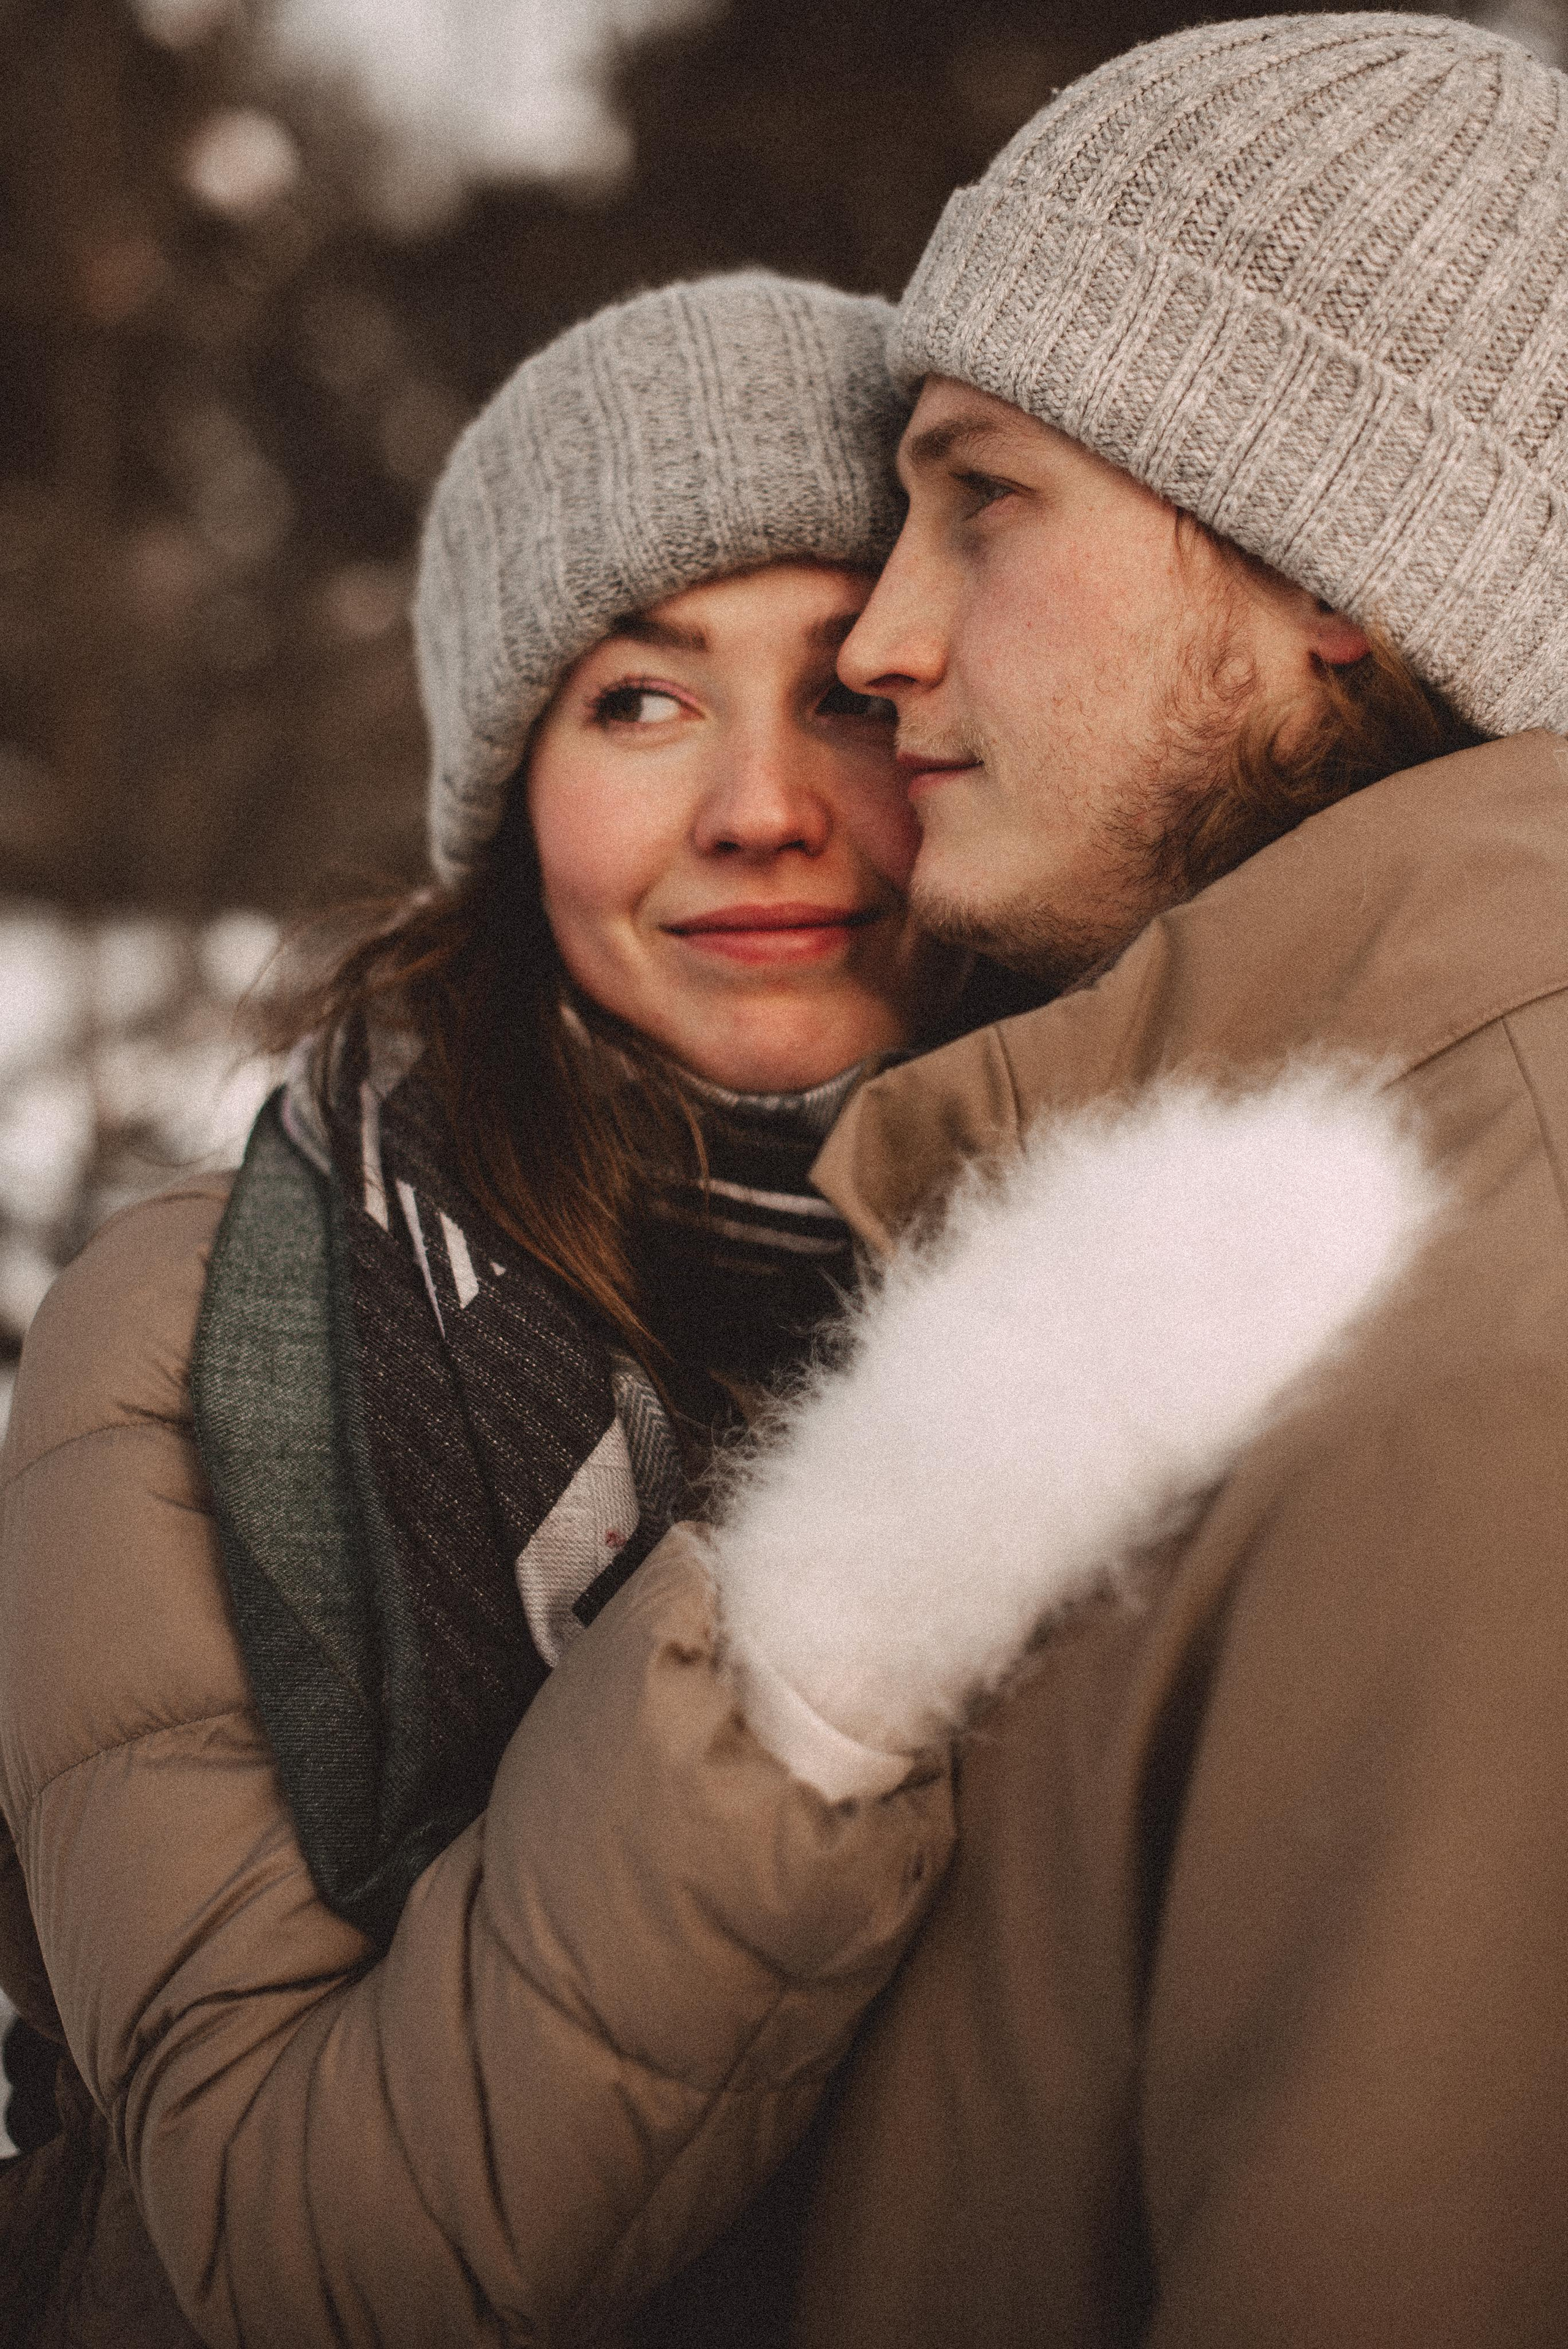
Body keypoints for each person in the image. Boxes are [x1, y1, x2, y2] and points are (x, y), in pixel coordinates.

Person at [0, 271, 976, 2348]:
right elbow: (290, 2246)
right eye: (643, 697)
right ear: (507, 794)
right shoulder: (189, 1329)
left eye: (852, 691)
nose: (763, 803)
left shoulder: (1159, 1256)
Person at [741, 13, 1568, 2345]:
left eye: (982, 496)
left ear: (1338, 568)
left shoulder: (1483, 1365)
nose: (880, 638)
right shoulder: (1244, 1221)